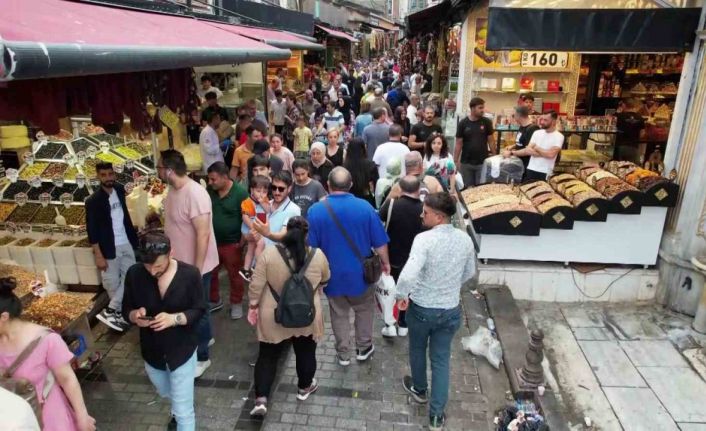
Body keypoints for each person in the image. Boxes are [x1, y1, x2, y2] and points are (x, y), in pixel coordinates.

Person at [395, 192, 477, 431]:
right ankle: (436, 416)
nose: (422, 215)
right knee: (441, 360)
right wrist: (450, 286)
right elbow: (469, 272)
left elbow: (408, 275)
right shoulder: (465, 240)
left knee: (418, 349)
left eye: (426, 212)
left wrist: (401, 296)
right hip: (449, 309)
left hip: (421, 308)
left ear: (439, 217)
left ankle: (420, 389)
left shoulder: (423, 240)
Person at [306, 167, 391, 366]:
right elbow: (379, 243)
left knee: (338, 313)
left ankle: (343, 353)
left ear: (328, 185)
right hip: (361, 274)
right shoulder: (365, 208)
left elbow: (311, 248)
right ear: (351, 184)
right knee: (364, 310)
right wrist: (385, 263)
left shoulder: (315, 211)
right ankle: (363, 347)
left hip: (331, 275)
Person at [123, 232, 207, 431]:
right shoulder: (134, 274)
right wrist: (135, 316)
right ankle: (178, 404)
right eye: (148, 266)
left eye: (158, 266)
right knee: (165, 390)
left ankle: (181, 408)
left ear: (171, 254)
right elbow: (126, 309)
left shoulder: (190, 274)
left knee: (184, 411)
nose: (152, 271)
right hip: (152, 353)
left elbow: (199, 310)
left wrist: (174, 319)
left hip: (182, 351)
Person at [247, 217, 330, 417]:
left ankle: (261, 400)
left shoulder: (269, 254)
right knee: (306, 352)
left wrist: (253, 306)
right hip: (307, 314)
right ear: (306, 235)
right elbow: (326, 279)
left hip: (274, 314)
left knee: (267, 355)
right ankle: (304, 387)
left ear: (285, 233)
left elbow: (256, 285)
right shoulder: (317, 255)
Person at [0, 277, 96, 431]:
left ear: (4, 317)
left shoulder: (46, 340)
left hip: (49, 419)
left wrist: (82, 416)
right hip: (11, 421)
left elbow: (67, 379)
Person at [159, 150, 219, 378]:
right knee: (200, 306)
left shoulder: (195, 194)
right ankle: (208, 337)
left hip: (195, 267)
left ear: (169, 170)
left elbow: (202, 235)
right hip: (181, 263)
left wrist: (196, 269)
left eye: (159, 168)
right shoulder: (173, 190)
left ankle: (202, 356)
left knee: (197, 310)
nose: (159, 172)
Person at [86, 162, 138, 332]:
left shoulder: (121, 191)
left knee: (130, 276)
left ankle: (111, 309)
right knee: (113, 283)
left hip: (126, 242)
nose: (108, 178)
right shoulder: (93, 201)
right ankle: (118, 317)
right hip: (108, 247)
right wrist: (98, 255)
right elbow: (92, 230)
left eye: (110, 174)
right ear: (98, 176)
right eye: (104, 175)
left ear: (114, 174)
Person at [378, 176, 426, 337]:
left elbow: (380, 217)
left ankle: (390, 323)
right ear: (419, 189)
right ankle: (403, 323)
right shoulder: (425, 208)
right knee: (408, 291)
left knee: (389, 290)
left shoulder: (392, 205)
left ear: (400, 188)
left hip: (393, 256)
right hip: (414, 257)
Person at [206, 162, 248, 319]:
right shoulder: (210, 191)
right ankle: (214, 299)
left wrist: (242, 242)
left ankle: (236, 303)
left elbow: (248, 219)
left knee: (235, 275)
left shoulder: (240, 193)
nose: (210, 182)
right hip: (212, 242)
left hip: (232, 244)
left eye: (213, 179)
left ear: (224, 177)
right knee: (211, 273)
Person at [504, 111, 563, 181]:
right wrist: (545, 153)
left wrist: (536, 148)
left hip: (545, 171)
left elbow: (551, 155)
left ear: (553, 121)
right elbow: (528, 150)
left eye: (545, 120)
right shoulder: (537, 133)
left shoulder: (559, 136)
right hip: (531, 169)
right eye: (542, 119)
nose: (542, 122)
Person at [252, 171, 302, 248]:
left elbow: (284, 235)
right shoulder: (264, 204)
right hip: (258, 256)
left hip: (277, 258)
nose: (277, 192)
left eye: (281, 189)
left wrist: (268, 234)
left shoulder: (294, 209)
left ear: (289, 189)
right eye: (274, 188)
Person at [454, 97, 495, 187]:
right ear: (472, 108)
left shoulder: (487, 122)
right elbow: (458, 143)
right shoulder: (463, 123)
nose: (482, 110)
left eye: (483, 108)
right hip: (466, 163)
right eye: (480, 108)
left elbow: (491, 141)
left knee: (481, 189)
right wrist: (455, 161)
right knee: (468, 190)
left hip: (482, 163)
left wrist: (495, 157)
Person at [239, 175, 272, 282]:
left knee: (252, 248)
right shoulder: (248, 202)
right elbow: (245, 217)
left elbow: (268, 211)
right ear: (252, 190)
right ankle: (257, 266)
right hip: (250, 228)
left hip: (259, 228)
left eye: (264, 191)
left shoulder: (265, 201)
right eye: (258, 191)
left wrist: (262, 202)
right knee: (260, 244)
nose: (261, 194)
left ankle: (246, 269)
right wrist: (254, 228)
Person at [344, 137, 379, 207]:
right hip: (366, 197)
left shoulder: (345, 166)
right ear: (363, 149)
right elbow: (376, 183)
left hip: (349, 198)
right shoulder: (370, 165)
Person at [507, 106, 539, 173]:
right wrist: (513, 146)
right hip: (520, 163)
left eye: (513, 115)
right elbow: (521, 142)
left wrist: (511, 153)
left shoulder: (532, 129)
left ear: (518, 115)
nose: (513, 117)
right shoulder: (522, 126)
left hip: (527, 165)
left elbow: (528, 150)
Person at [614, 98, 646, 162]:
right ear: (634, 106)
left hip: (619, 146)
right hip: (633, 147)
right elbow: (642, 134)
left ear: (624, 105)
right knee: (632, 168)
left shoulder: (618, 116)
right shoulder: (640, 118)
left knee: (618, 167)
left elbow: (612, 129)